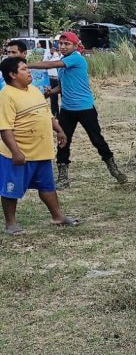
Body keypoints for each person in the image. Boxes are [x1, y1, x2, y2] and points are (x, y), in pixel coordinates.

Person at [25, 31, 127, 189]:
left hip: (85, 108)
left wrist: (26, 65)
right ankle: (63, 178)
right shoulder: (64, 61)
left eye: (67, 44)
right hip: (67, 109)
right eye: (61, 43)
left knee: (97, 139)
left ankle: (113, 168)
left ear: (75, 45)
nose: (63, 46)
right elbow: (63, 85)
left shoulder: (76, 58)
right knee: (63, 141)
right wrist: (51, 92)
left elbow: (51, 65)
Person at [0, 58, 78, 233]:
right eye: (24, 69)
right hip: (20, 153)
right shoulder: (6, 96)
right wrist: (16, 152)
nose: (29, 72)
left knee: (47, 186)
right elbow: (5, 129)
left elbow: (47, 114)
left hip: (41, 151)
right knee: (11, 189)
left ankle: (57, 216)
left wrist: (59, 130)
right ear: (13, 74)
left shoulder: (34, 90)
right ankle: (10, 223)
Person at [43, 41, 61, 116]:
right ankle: (55, 113)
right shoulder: (48, 53)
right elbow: (44, 62)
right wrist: (51, 54)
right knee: (53, 97)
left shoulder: (64, 54)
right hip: (52, 77)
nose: (56, 50)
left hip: (60, 78)